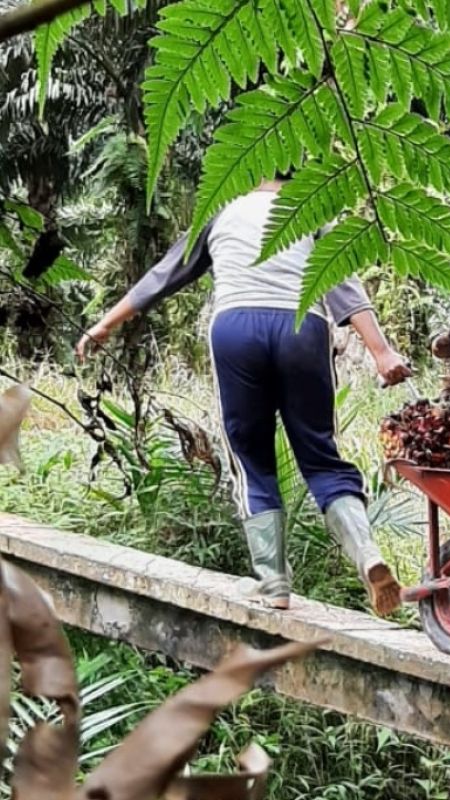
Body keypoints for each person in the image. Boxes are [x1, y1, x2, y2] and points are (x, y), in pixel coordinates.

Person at [76, 177, 411, 616]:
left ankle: (274, 583)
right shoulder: (312, 210)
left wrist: (105, 325)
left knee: (251, 459)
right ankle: (367, 554)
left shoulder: (221, 207)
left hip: (236, 330)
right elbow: (343, 287)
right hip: (301, 328)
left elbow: (163, 275)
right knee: (321, 457)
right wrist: (382, 352)